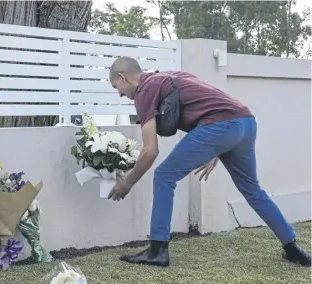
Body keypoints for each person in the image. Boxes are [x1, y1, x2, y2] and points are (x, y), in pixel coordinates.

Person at [107, 56, 311, 267]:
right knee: (252, 190)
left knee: (164, 175)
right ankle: (292, 247)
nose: (121, 94)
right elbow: (210, 100)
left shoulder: (144, 91)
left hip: (220, 126)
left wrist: (127, 182)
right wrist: (216, 149)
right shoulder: (171, 75)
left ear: (123, 77)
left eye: (117, 87)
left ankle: (157, 250)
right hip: (246, 122)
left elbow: (150, 150)